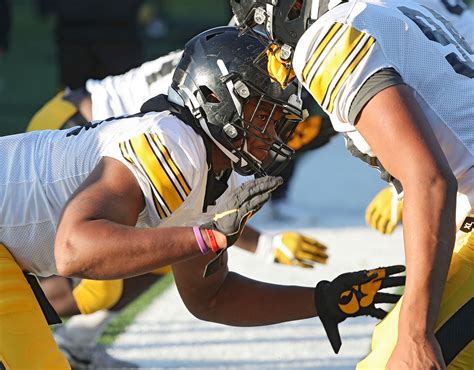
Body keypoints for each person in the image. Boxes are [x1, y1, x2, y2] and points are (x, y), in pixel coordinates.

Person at [0, 26, 405, 369]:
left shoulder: (216, 175)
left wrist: (323, 301)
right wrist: (209, 238)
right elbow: (75, 250)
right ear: (217, 98)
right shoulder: (172, 145)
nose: (278, 131)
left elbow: (211, 297)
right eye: (268, 113)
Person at [230, 0, 473, 369]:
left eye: (264, 28)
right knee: (388, 341)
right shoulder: (387, 7)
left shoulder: (327, 38)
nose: (270, 48)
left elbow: (430, 180)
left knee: (401, 353)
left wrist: (416, 333)